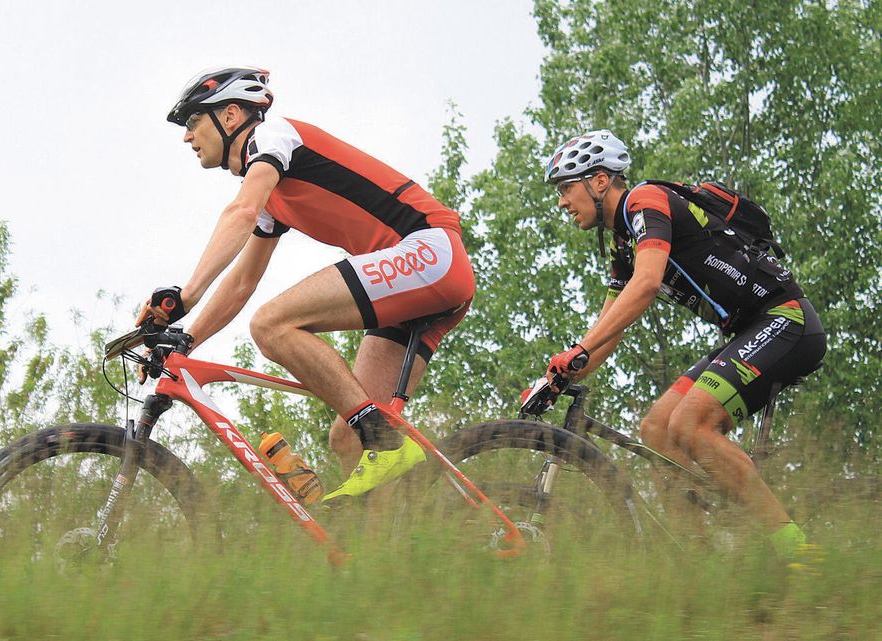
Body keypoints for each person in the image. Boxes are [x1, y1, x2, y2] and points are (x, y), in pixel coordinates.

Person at [136, 66, 475, 500]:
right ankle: (384, 541)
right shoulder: (270, 193)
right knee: (349, 437)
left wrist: (185, 296)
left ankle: (386, 444)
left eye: (193, 121)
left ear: (232, 115)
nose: (187, 136)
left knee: (271, 324)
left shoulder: (272, 137)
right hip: (423, 277)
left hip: (429, 251)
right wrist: (187, 339)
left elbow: (240, 213)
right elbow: (242, 282)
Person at [538, 129, 826, 561]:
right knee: (657, 429)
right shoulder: (624, 242)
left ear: (599, 181)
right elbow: (609, 329)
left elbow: (646, 284)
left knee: (690, 425)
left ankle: (800, 555)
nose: (562, 201)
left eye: (565, 188)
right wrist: (559, 378)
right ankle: (699, 561)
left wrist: (578, 350)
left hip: (786, 320)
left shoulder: (646, 201)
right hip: (750, 330)